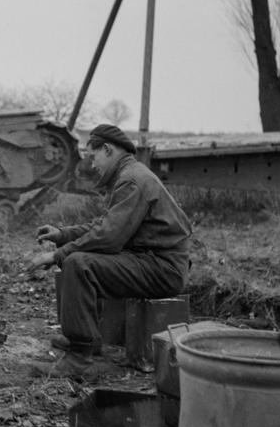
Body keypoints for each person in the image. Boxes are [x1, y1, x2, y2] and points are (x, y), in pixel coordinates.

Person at [26, 123, 191, 380]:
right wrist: (63, 234)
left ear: (107, 149)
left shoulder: (132, 180)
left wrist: (59, 254)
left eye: (93, 157)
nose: (92, 165)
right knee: (82, 259)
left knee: (78, 264)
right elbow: (105, 225)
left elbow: (109, 237)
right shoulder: (129, 175)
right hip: (152, 260)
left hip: (163, 267)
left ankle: (79, 361)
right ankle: (88, 342)